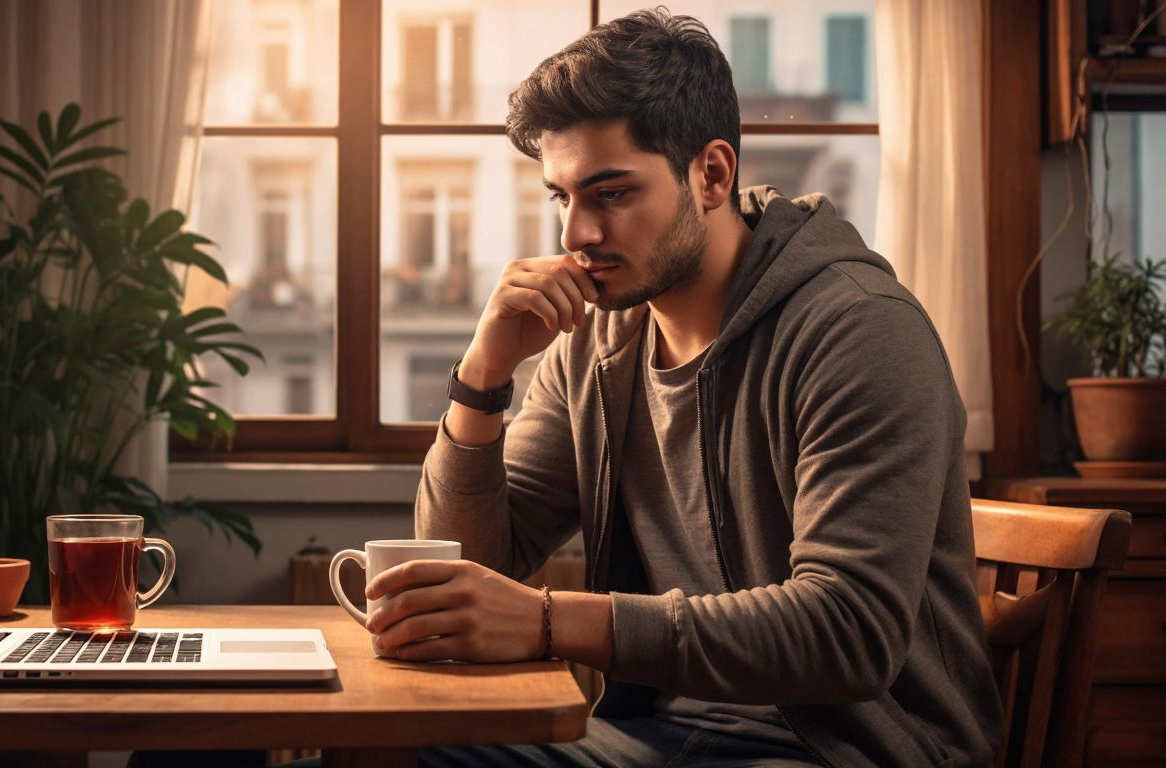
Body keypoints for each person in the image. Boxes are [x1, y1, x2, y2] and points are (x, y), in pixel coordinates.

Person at [360, 8, 1001, 767]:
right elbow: (476, 568)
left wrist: (547, 622)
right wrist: (482, 378)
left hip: (844, 750)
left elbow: (849, 631)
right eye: (561, 197)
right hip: (652, 737)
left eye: (612, 194)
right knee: (378, 755)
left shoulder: (860, 332)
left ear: (712, 174)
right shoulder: (598, 341)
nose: (576, 236)